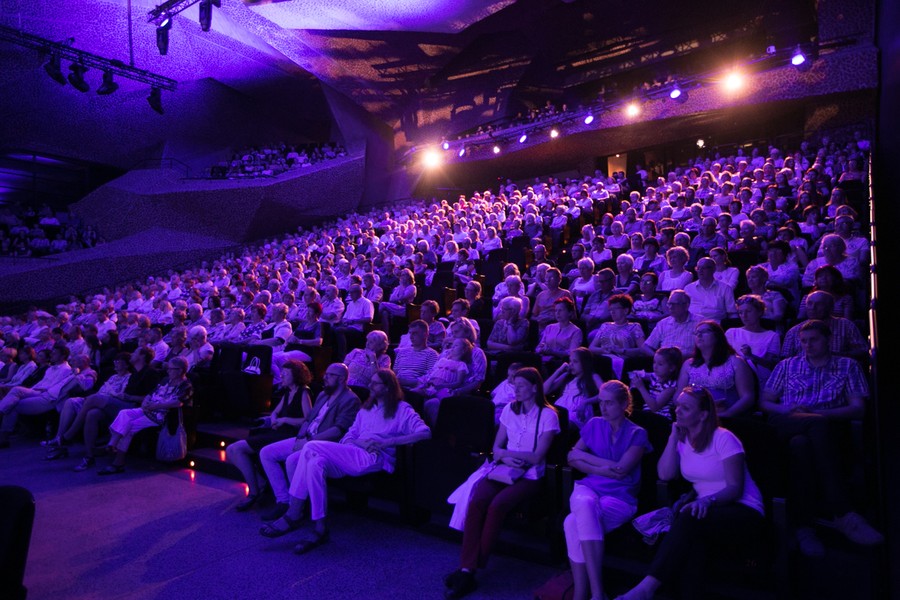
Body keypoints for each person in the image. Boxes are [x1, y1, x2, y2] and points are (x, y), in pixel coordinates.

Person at [615, 387, 765, 600]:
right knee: (694, 546)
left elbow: (735, 488)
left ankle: (646, 588)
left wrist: (706, 501)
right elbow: (665, 474)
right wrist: (672, 438)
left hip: (744, 510)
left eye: (685, 408)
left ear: (703, 415)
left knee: (688, 517)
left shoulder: (724, 438)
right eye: (677, 406)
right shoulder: (683, 440)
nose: (678, 411)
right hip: (708, 513)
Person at [258, 369, 429, 554]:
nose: (370, 386)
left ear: (388, 387)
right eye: (370, 382)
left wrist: (387, 442)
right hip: (355, 452)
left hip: (375, 457)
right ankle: (320, 528)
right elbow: (348, 436)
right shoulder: (366, 409)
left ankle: (293, 512)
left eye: (375, 383)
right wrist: (360, 442)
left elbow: (425, 433)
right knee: (315, 464)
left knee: (311, 446)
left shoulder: (402, 409)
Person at [760, 320, 882, 556]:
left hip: (829, 428)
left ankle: (804, 528)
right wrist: (787, 410)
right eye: (804, 341)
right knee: (812, 427)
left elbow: (858, 409)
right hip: (787, 421)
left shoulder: (847, 365)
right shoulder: (787, 365)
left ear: (828, 339)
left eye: (813, 340)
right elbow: (765, 402)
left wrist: (818, 414)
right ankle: (843, 512)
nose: (808, 345)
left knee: (801, 445)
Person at [445, 367, 560, 599]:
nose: (516, 390)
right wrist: (506, 457)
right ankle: (467, 569)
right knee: (477, 500)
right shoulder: (509, 409)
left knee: (497, 505)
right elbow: (496, 448)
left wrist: (508, 454)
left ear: (535, 387)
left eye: (521, 386)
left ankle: (470, 568)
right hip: (504, 469)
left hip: (529, 476)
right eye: (514, 385)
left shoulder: (548, 415)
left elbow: (537, 456)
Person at [565, 381, 653, 600]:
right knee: (585, 503)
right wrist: (601, 468)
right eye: (601, 402)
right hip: (589, 487)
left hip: (620, 497)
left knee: (572, 522)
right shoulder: (594, 424)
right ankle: (597, 593)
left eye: (609, 403)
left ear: (624, 404)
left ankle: (582, 594)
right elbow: (571, 457)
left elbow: (622, 471)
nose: (603, 408)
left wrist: (585, 458)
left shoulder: (637, 433)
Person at [258, 363, 361, 520]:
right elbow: (308, 419)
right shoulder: (323, 394)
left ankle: (296, 507)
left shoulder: (351, 400)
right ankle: (284, 500)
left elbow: (338, 430)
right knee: (266, 453)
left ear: (341, 379)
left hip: (322, 444)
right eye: (325, 374)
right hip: (306, 438)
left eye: (330, 375)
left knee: (292, 460)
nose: (325, 377)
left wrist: (308, 441)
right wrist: (301, 437)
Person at [226, 360, 313, 511]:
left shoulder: (303, 392)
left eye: (285, 373)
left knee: (235, 449)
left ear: (296, 375)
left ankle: (254, 491)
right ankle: (260, 483)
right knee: (232, 450)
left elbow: (307, 420)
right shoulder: (288, 392)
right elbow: (275, 413)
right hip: (278, 432)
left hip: (289, 434)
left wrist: (284, 420)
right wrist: (274, 420)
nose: (281, 376)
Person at [100, 357, 193, 475]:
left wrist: (156, 406)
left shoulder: (186, 385)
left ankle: (117, 462)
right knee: (124, 413)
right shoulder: (165, 380)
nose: (168, 371)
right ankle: (112, 444)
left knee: (129, 426)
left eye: (171, 369)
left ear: (180, 370)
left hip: (161, 415)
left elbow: (178, 402)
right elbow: (151, 393)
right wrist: (145, 403)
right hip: (148, 409)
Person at [676, 321, 755, 418]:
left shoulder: (736, 362)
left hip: (727, 415)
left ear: (717, 336)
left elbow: (747, 397)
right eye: (696, 333)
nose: (699, 335)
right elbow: (678, 395)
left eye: (705, 331)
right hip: (695, 416)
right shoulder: (689, 364)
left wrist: (727, 414)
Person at [725, 295, 781, 386]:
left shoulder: (772, 336)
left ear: (760, 312)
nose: (744, 316)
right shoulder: (732, 333)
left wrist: (751, 356)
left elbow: (770, 364)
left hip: (761, 381)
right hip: (734, 379)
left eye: (748, 311)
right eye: (740, 312)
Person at [544, 347, 603, 430]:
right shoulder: (567, 376)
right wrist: (559, 371)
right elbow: (544, 390)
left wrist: (586, 402)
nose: (571, 364)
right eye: (570, 361)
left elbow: (604, 394)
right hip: (561, 408)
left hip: (577, 410)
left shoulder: (593, 376)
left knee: (559, 426)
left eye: (575, 362)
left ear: (584, 363)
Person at [641, 290, 701, 358]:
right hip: (665, 362)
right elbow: (646, 346)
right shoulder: (663, 323)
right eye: (669, 304)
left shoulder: (699, 323)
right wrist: (658, 358)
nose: (670, 307)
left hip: (689, 361)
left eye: (674, 304)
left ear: (686, 305)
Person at [630, 346, 681, 419]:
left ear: (671, 368)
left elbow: (655, 407)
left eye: (660, 364)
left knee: (632, 415)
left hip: (660, 417)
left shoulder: (671, 387)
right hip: (647, 413)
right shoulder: (654, 376)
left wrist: (641, 387)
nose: (655, 366)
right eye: (654, 362)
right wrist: (636, 374)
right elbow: (643, 374)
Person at [684, 258, 736, 322]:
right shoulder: (688, 289)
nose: (700, 271)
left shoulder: (725, 288)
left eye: (704, 268)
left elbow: (732, 313)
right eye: (698, 268)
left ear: (713, 269)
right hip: (692, 324)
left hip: (715, 324)